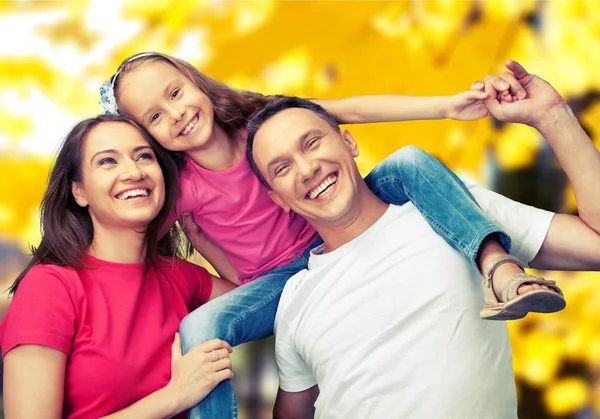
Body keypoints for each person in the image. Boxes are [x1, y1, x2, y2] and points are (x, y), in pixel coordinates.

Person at [105, 52, 563, 418]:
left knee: (406, 162)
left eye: (176, 92)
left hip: (339, 223)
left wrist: (444, 105)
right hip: (278, 284)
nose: (177, 114)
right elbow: (153, 239)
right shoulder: (181, 186)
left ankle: (498, 268)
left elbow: (353, 109)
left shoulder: (263, 123)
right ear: (149, 138)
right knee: (198, 326)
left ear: (196, 81)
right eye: (156, 117)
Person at [245, 60, 600, 419]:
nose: (307, 170)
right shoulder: (293, 297)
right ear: (279, 199)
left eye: (312, 143)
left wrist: (552, 115)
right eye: (282, 168)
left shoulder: (456, 212)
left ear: (348, 141)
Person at [1, 115, 237, 418]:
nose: (134, 171)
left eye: (144, 156)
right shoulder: (50, 286)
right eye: (107, 162)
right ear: (80, 192)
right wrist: (175, 396)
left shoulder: (177, 275)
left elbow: (255, 299)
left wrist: (201, 240)